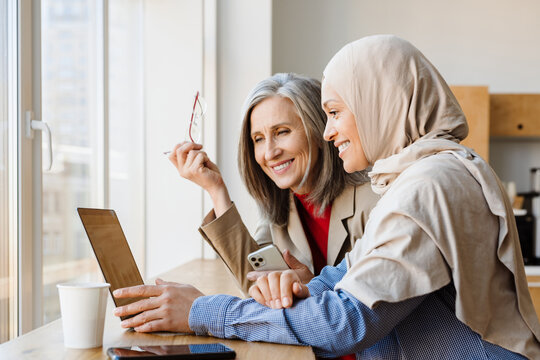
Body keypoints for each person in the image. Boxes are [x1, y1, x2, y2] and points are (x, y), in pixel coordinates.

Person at [114, 36, 540, 359]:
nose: (329, 129)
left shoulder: (427, 186)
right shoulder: (420, 178)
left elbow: (345, 323)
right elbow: (343, 280)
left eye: (334, 112)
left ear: (380, 102)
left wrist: (204, 311)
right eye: (259, 139)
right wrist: (303, 288)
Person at [167, 73, 379, 296]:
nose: (270, 152)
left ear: (318, 132)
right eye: (258, 139)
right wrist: (216, 190)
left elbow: (365, 307)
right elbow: (255, 282)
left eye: (282, 132)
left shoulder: (373, 199)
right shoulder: (280, 203)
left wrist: (313, 288)